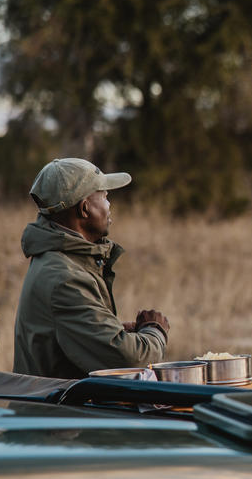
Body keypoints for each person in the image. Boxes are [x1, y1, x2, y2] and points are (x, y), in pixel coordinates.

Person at [13, 158, 169, 379]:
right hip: (57, 411)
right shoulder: (65, 279)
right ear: (85, 209)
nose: (109, 205)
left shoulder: (59, 261)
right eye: (105, 196)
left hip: (54, 407)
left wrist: (113, 330)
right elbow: (130, 359)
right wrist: (155, 331)